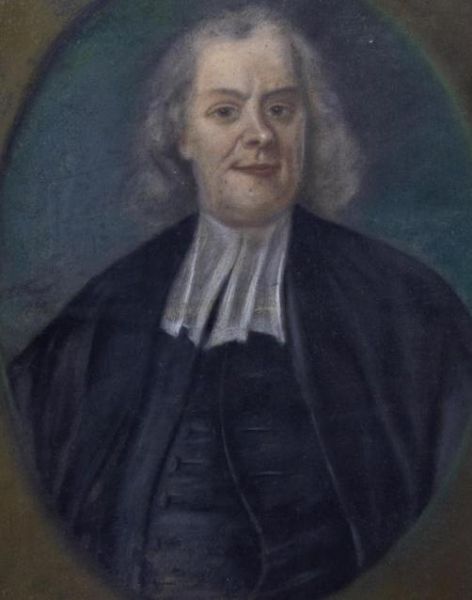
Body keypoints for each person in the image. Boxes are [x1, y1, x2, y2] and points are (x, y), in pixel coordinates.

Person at [7, 6, 472, 600]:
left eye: (280, 109)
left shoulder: (409, 312)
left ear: (307, 126)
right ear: (182, 135)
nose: (259, 135)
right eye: (225, 111)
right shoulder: (95, 325)